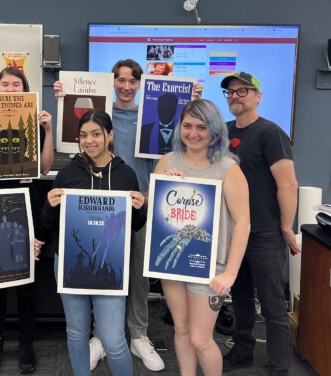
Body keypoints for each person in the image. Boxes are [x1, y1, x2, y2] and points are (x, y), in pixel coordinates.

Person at [54, 59, 202, 371]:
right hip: (98, 209)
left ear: (140, 84)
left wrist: (194, 102)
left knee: (138, 277)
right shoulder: (103, 115)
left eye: (132, 81)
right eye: (120, 80)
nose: (125, 86)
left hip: (140, 203)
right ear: (113, 82)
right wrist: (63, 98)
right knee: (99, 269)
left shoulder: (151, 116)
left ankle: (138, 334)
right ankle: (100, 337)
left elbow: (188, 137)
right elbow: (74, 132)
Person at [41, 110, 147, 376]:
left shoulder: (126, 175)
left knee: (112, 339)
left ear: (110, 136)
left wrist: (141, 208)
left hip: (110, 266)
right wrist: (50, 206)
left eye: (96, 134)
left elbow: (134, 226)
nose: (89, 141)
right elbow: (48, 224)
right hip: (70, 262)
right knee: (76, 331)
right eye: (83, 135)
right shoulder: (67, 174)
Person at [0, 66, 54, 374]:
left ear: (25, 89)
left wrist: (49, 130)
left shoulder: (37, 121)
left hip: (26, 202)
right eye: (5, 84)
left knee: (27, 280)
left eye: (17, 84)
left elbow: (43, 168)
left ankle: (27, 342)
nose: (11, 89)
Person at [154, 99, 250, 376]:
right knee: (181, 330)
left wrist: (230, 273)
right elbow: (156, 210)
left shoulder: (228, 169)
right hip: (172, 264)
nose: (193, 133)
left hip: (210, 266)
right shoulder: (167, 161)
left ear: (215, 131)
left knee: (200, 338)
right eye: (187, 125)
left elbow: (243, 222)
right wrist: (164, 186)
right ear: (179, 127)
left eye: (201, 127)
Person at [220, 72, 299, 375]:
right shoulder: (223, 133)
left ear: (258, 96)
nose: (235, 96)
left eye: (243, 91)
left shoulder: (271, 133)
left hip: (264, 232)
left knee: (271, 304)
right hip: (232, 229)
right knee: (238, 295)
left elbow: (288, 185)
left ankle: (279, 366)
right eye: (230, 92)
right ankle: (242, 350)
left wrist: (286, 228)